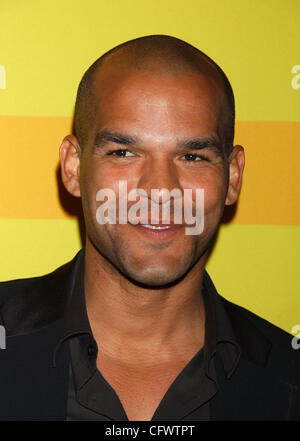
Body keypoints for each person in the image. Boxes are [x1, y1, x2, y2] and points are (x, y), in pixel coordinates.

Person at [0, 35, 299, 422]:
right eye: (123, 153)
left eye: (192, 156)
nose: (160, 189)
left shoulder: (288, 378)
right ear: (73, 167)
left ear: (233, 176)